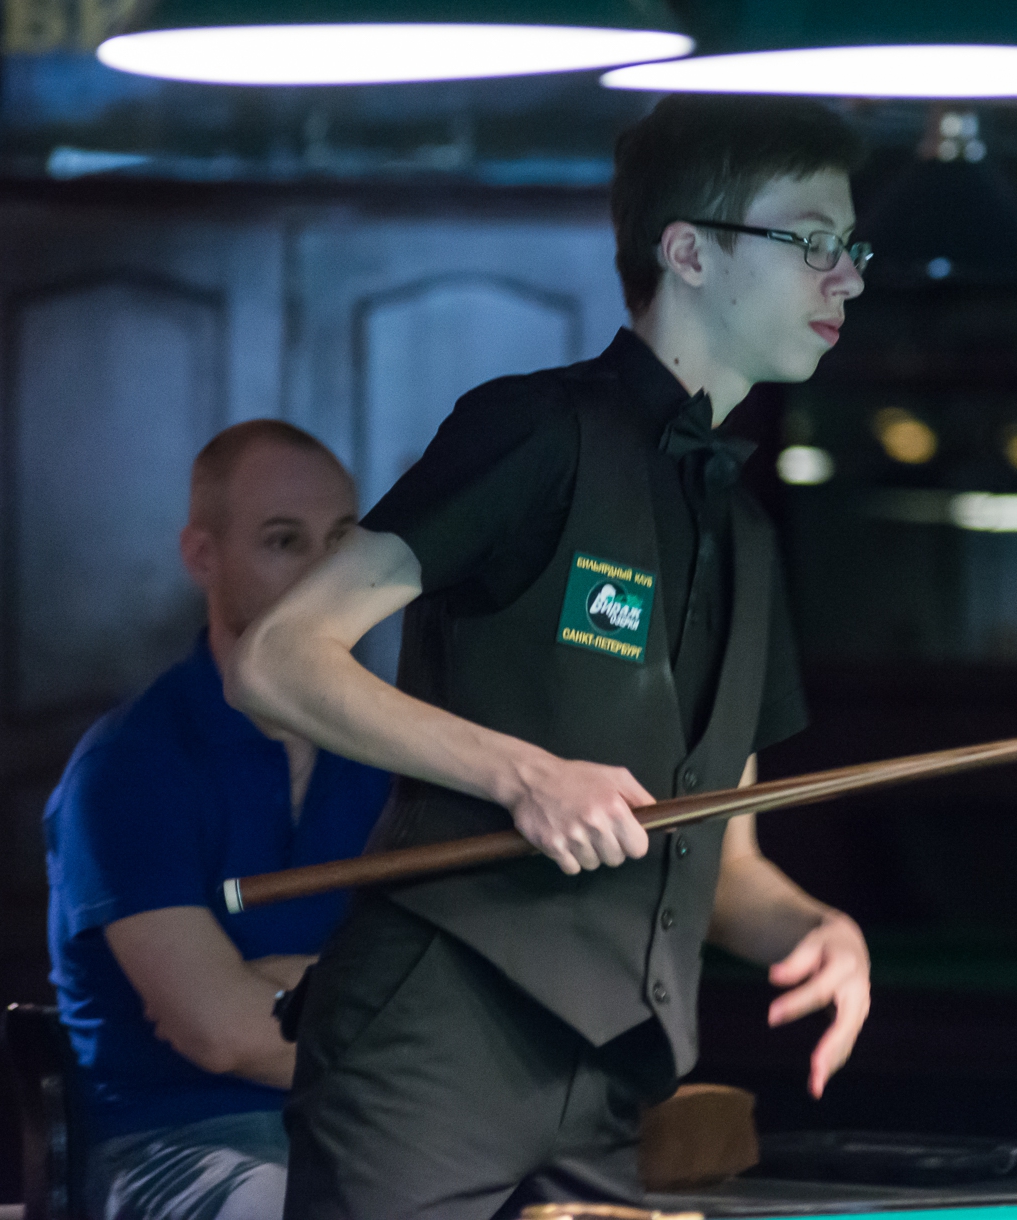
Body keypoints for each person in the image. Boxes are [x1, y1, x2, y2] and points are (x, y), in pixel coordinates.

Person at [229, 95, 878, 1219]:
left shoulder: (748, 535)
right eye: (813, 241)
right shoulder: (537, 432)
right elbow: (280, 657)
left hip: (612, 1082)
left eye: (853, 248)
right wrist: (521, 774)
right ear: (689, 252)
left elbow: (722, 858)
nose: (848, 279)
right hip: (433, 1046)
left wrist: (816, 928)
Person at [46, 421, 394, 1220]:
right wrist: (376, 1011)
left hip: (373, 1137)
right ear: (203, 556)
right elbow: (220, 1032)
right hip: (177, 1145)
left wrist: (275, 985)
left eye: (341, 540)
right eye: (284, 541)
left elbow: (451, 995)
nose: (325, 572)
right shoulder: (130, 765)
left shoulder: (392, 750)